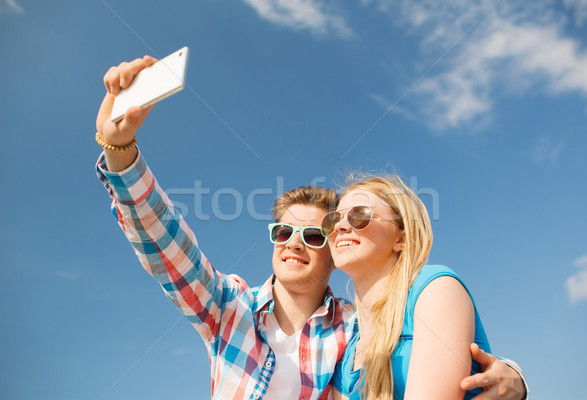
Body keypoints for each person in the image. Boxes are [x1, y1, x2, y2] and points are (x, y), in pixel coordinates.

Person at [95, 55, 528, 399]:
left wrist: (512, 374)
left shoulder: (355, 333)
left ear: (334, 251)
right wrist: (119, 150)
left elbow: (417, 341)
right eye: (283, 232)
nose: (294, 244)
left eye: (314, 234)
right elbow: (164, 242)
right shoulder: (227, 308)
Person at [323, 175, 528, 399]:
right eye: (332, 221)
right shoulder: (347, 352)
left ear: (400, 239)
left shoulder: (434, 289)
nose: (340, 227)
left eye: (359, 215)